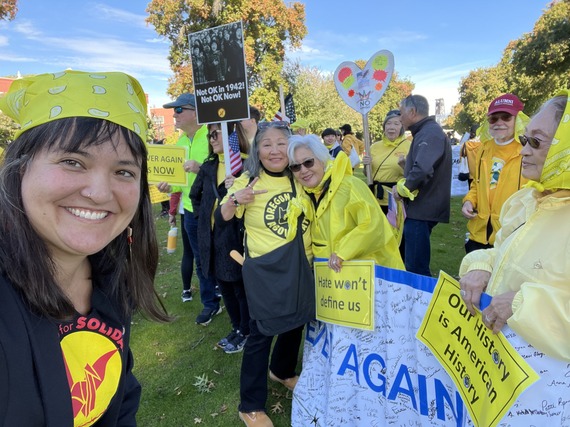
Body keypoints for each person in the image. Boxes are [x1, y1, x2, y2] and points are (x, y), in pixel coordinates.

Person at [0, 70, 169, 425]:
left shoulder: (111, 279)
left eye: (124, 171)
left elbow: (120, 398)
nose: (100, 193)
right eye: (73, 162)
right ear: (20, 168)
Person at [459, 89, 570, 362]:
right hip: (503, 367)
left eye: (536, 142)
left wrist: (522, 304)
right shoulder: (524, 201)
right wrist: (480, 266)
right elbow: (503, 251)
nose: (523, 151)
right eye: (525, 139)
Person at [220, 122, 312, 427]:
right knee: (260, 334)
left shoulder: (298, 177)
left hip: (299, 265)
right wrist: (236, 199)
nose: (274, 150)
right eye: (267, 144)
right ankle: (250, 405)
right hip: (265, 268)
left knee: (296, 321)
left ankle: (282, 371)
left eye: (280, 143)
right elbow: (223, 213)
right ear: (257, 150)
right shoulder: (249, 180)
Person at [288, 135, 404, 272]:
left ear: (322, 160)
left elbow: (373, 225)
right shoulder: (306, 195)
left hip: (368, 278)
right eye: (295, 167)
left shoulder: (350, 186)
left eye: (308, 162)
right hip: (331, 281)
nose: (303, 170)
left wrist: (342, 252)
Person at [158, 93, 222, 324]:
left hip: (216, 209)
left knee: (222, 254)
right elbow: (180, 180)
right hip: (191, 211)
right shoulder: (181, 142)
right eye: (173, 111)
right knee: (201, 258)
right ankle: (210, 303)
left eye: (178, 110)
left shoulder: (214, 135)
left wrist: (201, 168)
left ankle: (228, 294)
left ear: (195, 112)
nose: (173, 115)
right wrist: (167, 187)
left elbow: (228, 170)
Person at [190, 123, 250, 354]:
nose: (211, 138)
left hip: (234, 235)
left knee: (238, 286)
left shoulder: (245, 164)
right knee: (223, 285)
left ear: (230, 136)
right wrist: (203, 216)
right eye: (209, 135)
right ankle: (236, 327)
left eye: (216, 134)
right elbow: (195, 195)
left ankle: (245, 330)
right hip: (211, 237)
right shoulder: (208, 166)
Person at [461, 94, 529, 253]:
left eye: (506, 117)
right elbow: (477, 185)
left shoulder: (528, 150)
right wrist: (469, 201)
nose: (499, 123)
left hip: (512, 236)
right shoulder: (484, 149)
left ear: (517, 120)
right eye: (493, 119)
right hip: (479, 235)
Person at [393, 94, 452, 276]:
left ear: (412, 112)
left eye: (401, 113)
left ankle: (421, 302)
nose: (399, 117)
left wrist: (402, 189)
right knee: (412, 262)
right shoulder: (425, 131)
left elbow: (424, 170)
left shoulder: (430, 132)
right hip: (420, 208)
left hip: (422, 209)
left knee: (416, 267)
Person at [362, 109, 411, 214]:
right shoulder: (374, 147)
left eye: (396, 124)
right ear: (384, 127)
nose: (391, 127)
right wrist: (366, 166)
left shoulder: (409, 146)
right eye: (388, 123)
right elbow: (367, 174)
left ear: (402, 127)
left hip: (396, 198)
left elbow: (415, 175)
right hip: (374, 198)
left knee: (395, 230)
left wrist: (405, 166)